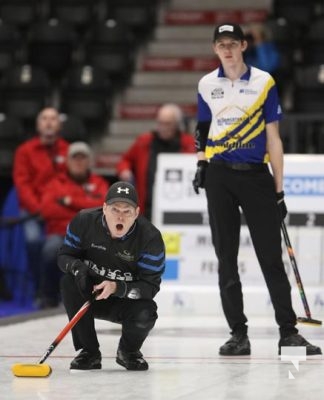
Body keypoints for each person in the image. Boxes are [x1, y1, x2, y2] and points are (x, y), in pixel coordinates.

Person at [192, 22, 321, 356]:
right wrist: (200, 163)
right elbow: (203, 128)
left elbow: (274, 138)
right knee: (226, 259)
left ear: (244, 45)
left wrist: (279, 190)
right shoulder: (206, 84)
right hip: (219, 177)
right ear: (215, 49)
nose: (228, 50)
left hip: (255, 175)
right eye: (221, 44)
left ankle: (288, 333)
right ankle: (238, 334)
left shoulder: (264, 82)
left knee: (270, 258)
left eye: (233, 43)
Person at [58, 181, 165, 371]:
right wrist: (77, 268)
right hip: (89, 293)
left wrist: (117, 287)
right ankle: (88, 352)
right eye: (115, 209)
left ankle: (128, 352)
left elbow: (150, 287)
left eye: (127, 211)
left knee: (146, 312)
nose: (121, 217)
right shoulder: (83, 221)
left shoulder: (150, 239)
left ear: (137, 213)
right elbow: (64, 256)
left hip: (124, 300)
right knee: (68, 282)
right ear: (104, 208)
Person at [37, 142, 109, 309]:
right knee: (50, 251)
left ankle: (95, 299)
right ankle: (48, 297)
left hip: (89, 237)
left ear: (89, 161)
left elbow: (104, 208)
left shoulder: (99, 183)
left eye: (82, 158)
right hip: (60, 233)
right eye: (74, 158)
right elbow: (47, 210)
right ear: (67, 161)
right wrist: (83, 208)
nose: (78, 162)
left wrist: (69, 202)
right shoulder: (55, 183)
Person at [13, 107, 69, 297]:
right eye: (44, 118)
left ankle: (60, 290)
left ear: (59, 125)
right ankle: (40, 287)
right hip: (33, 210)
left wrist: (57, 209)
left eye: (53, 118)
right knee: (33, 241)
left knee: (64, 245)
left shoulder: (67, 151)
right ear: (38, 125)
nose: (49, 122)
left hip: (60, 211)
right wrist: (38, 208)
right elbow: (22, 184)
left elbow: (69, 183)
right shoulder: (25, 151)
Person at [117, 103, 195, 219]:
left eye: (167, 124)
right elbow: (125, 160)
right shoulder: (144, 141)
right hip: (147, 206)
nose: (163, 128)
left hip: (178, 207)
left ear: (177, 125)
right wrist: (124, 170)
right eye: (160, 123)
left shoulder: (189, 144)